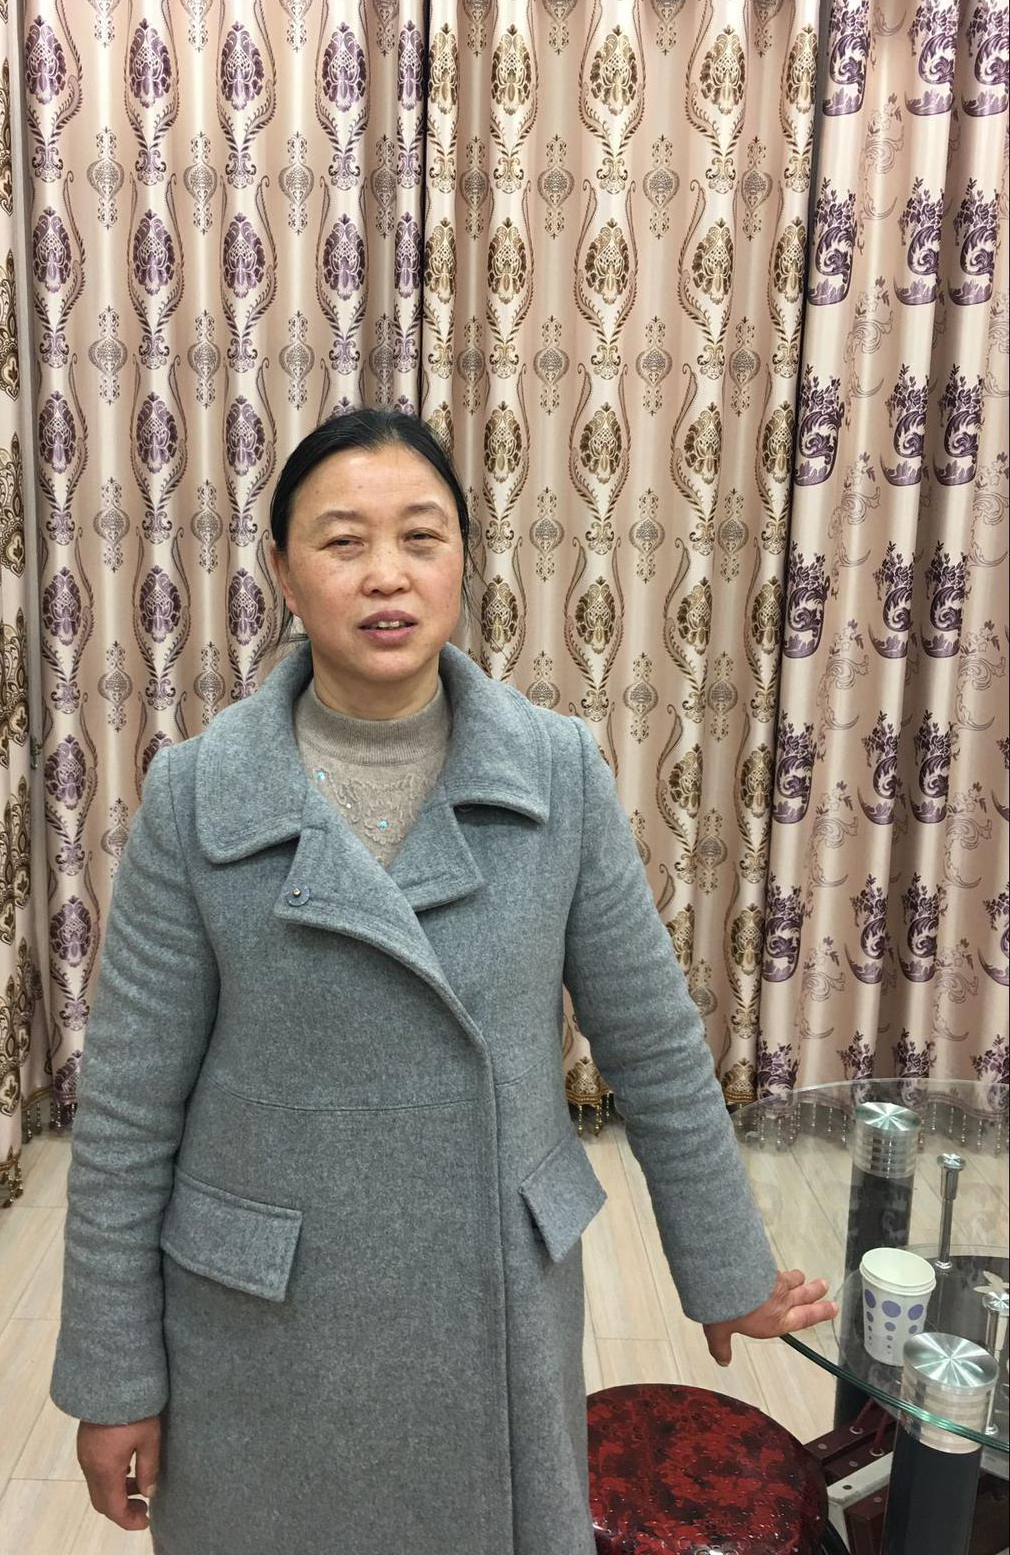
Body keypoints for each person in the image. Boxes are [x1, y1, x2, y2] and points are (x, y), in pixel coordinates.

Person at [49, 408, 837, 1555]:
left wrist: (728, 1268)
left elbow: (653, 1042)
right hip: (260, 1324)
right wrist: (113, 1377)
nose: (386, 573)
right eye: (342, 541)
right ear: (282, 570)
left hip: (490, 1293)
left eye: (421, 537)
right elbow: (127, 1112)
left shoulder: (554, 773)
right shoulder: (197, 796)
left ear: (463, 560)